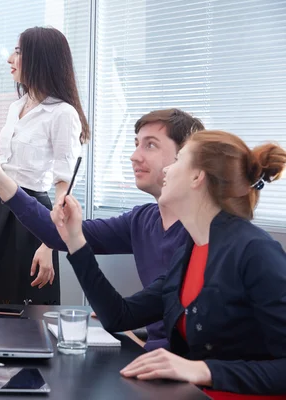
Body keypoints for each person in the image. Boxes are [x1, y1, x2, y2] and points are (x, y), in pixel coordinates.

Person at [51, 130, 286, 397]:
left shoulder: (256, 252)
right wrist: (74, 239)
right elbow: (119, 316)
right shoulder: (190, 251)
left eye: (178, 160)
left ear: (198, 177)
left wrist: (202, 370)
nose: (167, 170)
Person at [0, 108, 204, 350]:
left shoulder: (201, 235)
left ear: (185, 159)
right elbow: (60, 235)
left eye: (150, 145)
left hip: (179, 368)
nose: (134, 156)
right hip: (154, 358)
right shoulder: (142, 220)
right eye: (136, 144)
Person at [0, 26, 89, 305]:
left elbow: (66, 187)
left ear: (40, 58)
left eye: (18, 52)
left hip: (31, 217)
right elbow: (10, 169)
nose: (10, 59)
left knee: (23, 317)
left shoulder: (63, 114)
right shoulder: (17, 106)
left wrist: (48, 243)